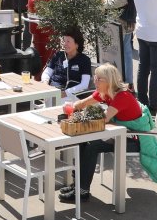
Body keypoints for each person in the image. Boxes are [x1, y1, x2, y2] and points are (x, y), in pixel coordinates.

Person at [59, 63, 146, 203]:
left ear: (109, 81)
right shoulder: (105, 92)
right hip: (120, 133)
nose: (95, 81)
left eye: (99, 79)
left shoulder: (122, 96)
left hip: (135, 139)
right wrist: (71, 107)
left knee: (92, 145)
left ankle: (82, 192)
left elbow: (103, 119)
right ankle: (78, 185)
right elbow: (82, 103)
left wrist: (80, 115)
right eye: (95, 77)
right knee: (82, 140)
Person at [101, 0, 135, 79]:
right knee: (126, 52)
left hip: (120, 22)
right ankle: (128, 82)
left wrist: (104, 3)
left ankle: (122, 81)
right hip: (126, 20)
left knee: (119, 53)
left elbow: (121, 0)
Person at [40, 29, 93, 94]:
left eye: (68, 41)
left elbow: (84, 84)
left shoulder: (84, 60)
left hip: (71, 94)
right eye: (64, 41)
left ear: (77, 44)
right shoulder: (58, 55)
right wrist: (45, 83)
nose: (65, 44)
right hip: (52, 90)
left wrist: (66, 93)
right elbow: (47, 72)